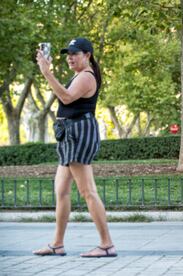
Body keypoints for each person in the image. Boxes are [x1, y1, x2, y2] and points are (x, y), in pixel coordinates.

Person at [33, 38, 117, 257]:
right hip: (69, 134)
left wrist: (46, 72)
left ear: (87, 55)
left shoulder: (87, 77)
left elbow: (67, 97)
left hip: (78, 133)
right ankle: (57, 244)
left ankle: (106, 245)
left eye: (75, 53)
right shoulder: (80, 75)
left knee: (87, 191)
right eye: (68, 54)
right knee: (61, 190)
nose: (70, 57)